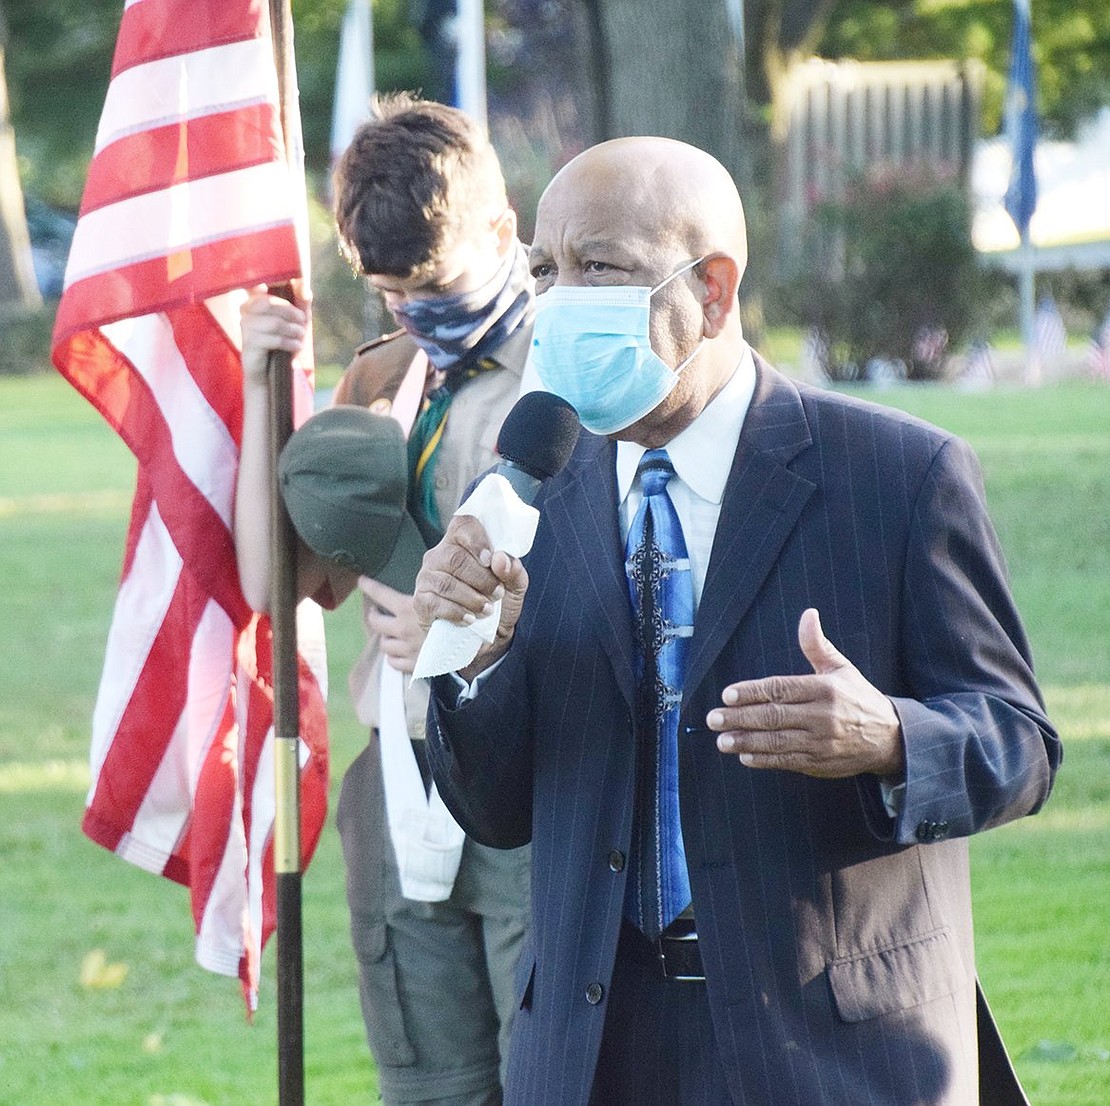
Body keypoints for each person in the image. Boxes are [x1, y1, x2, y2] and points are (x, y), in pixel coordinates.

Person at [413, 136, 1061, 1106]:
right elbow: (496, 811)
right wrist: (474, 663)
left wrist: (891, 737)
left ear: (713, 289)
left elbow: (1020, 743)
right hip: (592, 1050)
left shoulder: (898, 474)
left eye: (600, 266)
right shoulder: (524, 496)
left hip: (835, 1046)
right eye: (545, 270)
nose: (559, 300)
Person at [235, 94, 534, 1106]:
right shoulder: (383, 376)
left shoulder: (572, 375)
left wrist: (481, 631)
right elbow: (272, 585)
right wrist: (257, 390)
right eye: (391, 291)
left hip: (529, 782)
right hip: (399, 781)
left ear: (503, 228)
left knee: (553, 1076)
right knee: (433, 1085)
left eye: (435, 285)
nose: (417, 312)